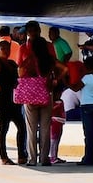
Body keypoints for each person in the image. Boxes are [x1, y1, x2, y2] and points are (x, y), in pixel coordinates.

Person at [18, 20, 64, 166]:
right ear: (39, 31)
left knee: (31, 128)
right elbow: (59, 67)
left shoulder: (23, 49)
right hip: (46, 89)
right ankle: (44, 158)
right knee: (45, 127)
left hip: (30, 92)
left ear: (28, 33)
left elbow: (19, 72)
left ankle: (32, 159)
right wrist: (55, 80)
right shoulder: (49, 47)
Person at [75, 55, 93, 166]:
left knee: (88, 133)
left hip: (86, 106)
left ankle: (88, 158)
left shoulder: (86, 78)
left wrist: (66, 81)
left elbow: (76, 88)